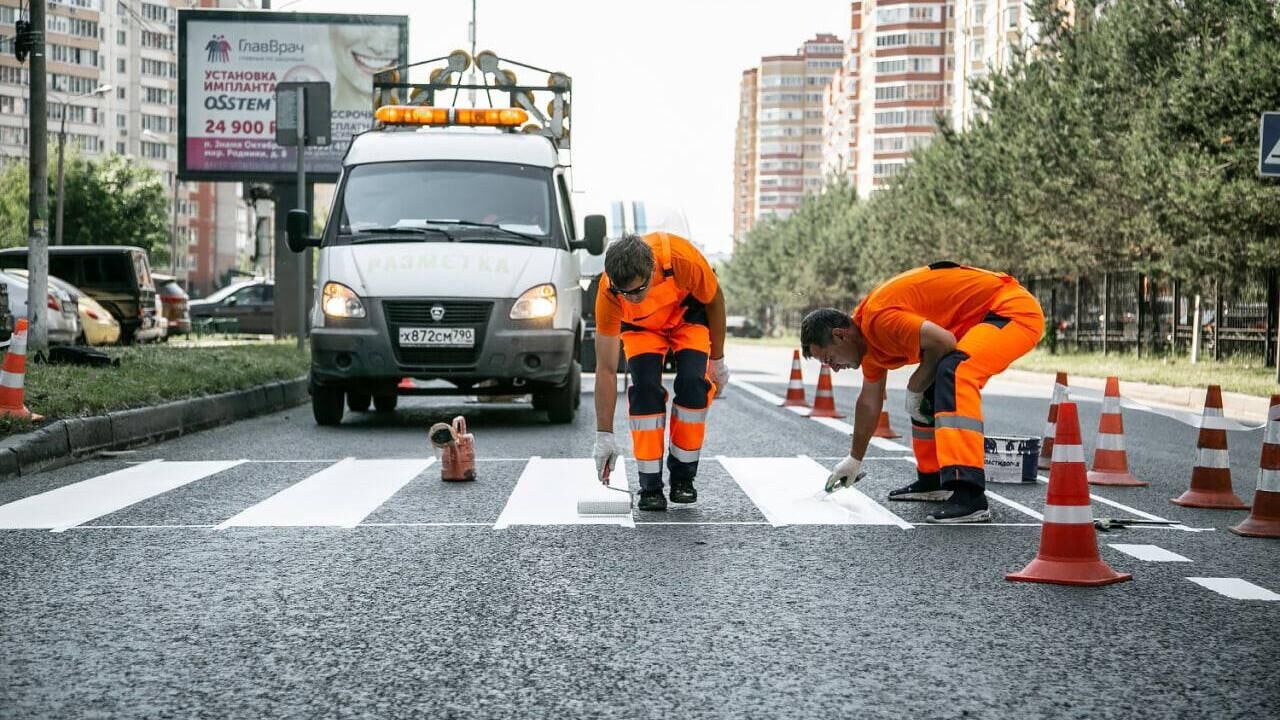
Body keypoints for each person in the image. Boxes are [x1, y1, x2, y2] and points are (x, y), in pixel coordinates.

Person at [800, 262, 1045, 523]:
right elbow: (869, 403)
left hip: (1010, 311)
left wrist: (915, 385)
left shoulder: (880, 320)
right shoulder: (868, 346)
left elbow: (944, 342)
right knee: (929, 385)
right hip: (982, 318)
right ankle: (933, 480)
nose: (835, 369)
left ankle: (970, 495)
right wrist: (854, 460)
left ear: (840, 336)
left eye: (829, 359)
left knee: (955, 372)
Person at [592, 233, 729, 511]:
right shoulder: (609, 291)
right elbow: (605, 368)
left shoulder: (682, 260)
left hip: (686, 319)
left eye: (637, 291)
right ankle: (650, 486)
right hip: (642, 330)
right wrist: (603, 434)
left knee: (693, 385)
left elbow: (715, 301)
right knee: (644, 391)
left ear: (652, 270)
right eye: (624, 293)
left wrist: (717, 359)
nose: (631, 299)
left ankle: (683, 480)